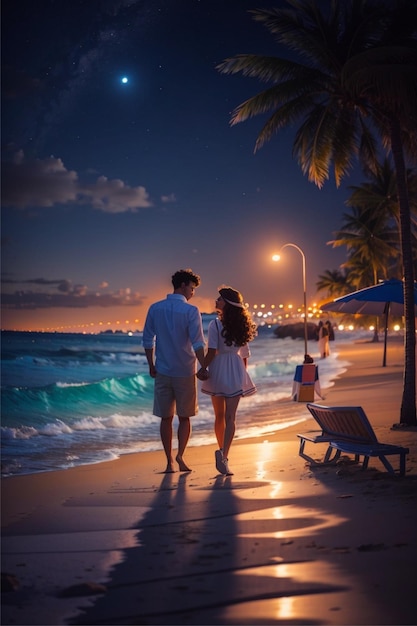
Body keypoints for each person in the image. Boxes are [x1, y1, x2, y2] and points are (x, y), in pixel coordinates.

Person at [142, 269, 207, 473]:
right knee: (185, 417)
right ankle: (180, 456)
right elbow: (197, 343)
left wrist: (151, 365)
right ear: (183, 285)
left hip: (163, 369)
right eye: (192, 288)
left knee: (166, 418)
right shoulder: (190, 311)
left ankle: (169, 461)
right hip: (186, 370)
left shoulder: (155, 308)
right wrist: (204, 366)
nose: (193, 292)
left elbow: (147, 339)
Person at [199, 286, 257, 476]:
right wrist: (242, 374)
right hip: (236, 368)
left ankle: (222, 452)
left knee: (219, 416)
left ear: (228, 303)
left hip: (218, 370)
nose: (216, 301)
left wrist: (203, 368)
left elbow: (212, 351)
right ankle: (224, 455)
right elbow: (245, 355)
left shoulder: (215, 324)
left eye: (220, 299)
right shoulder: (242, 325)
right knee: (231, 417)